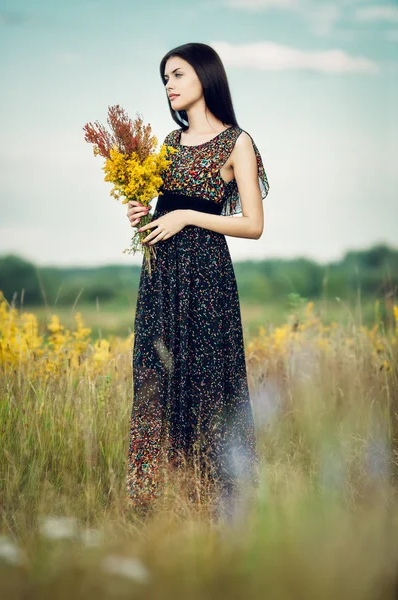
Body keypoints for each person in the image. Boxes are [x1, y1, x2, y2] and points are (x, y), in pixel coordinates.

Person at [125, 42, 269, 520]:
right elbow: (159, 217)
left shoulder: (237, 142)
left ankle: (214, 502)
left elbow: (253, 224)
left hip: (207, 281)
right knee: (153, 375)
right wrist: (140, 216)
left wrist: (188, 214)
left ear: (205, 77)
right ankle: (150, 501)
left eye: (177, 74)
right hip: (161, 278)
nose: (169, 85)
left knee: (206, 383)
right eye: (164, 77)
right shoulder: (168, 143)